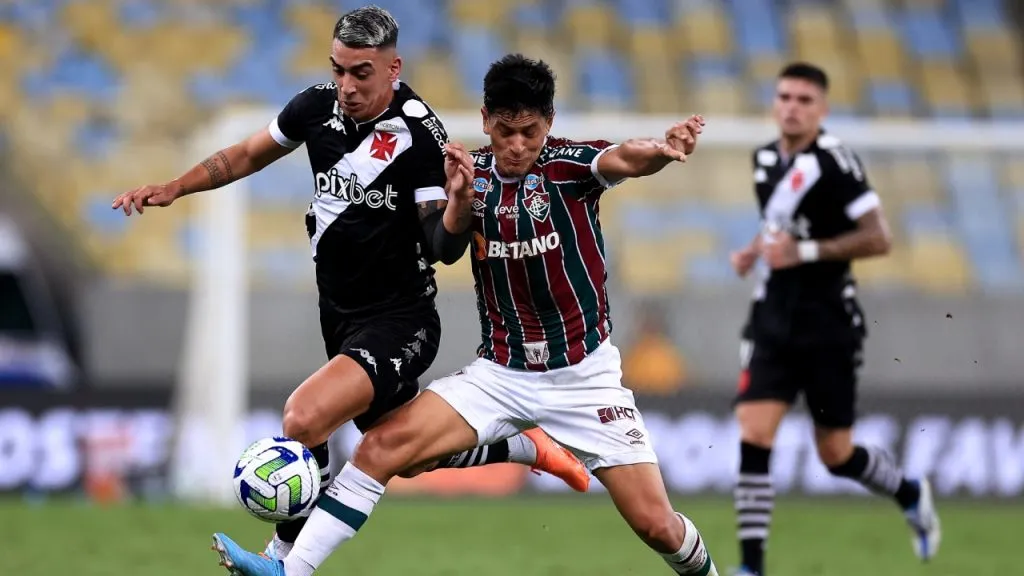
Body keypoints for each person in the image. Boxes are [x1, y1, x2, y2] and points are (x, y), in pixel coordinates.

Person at [210, 53, 720, 576]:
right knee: (381, 448)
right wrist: (456, 198)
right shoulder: (470, 177)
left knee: (656, 525)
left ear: (548, 123)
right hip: (499, 374)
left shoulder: (568, 168)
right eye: (505, 131)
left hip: (584, 377)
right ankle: (289, 571)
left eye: (530, 131)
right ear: (485, 121)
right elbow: (445, 245)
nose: (518, 145)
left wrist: (661, 150)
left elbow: (623, 158)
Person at [112, 6, 588, 560]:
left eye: (361, 72)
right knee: (406, 454)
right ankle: (524, 447)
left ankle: (279, 558)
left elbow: (443, 246)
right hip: (339, 315)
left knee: (304, 415)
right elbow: (245, 155)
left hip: (400, 319)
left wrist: (459, 203)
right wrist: (177, 186)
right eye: (339, 70)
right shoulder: (315, 107)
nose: (347, 85)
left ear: (393, 68)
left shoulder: (419, 135)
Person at [727, 62, 941, 576]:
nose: (792, 107)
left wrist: (805, 252)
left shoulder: (838, 163)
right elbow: (777, 223)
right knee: (754, 432)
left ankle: (909, 490)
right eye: (785, 97)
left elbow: (879, 236)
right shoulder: (763, 160)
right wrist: (754, 250)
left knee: (835, 454)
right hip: (773, 320)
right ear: (774, 103)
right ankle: (750, 567)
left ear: (822, 110)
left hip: (827, 324)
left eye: (804, 99)